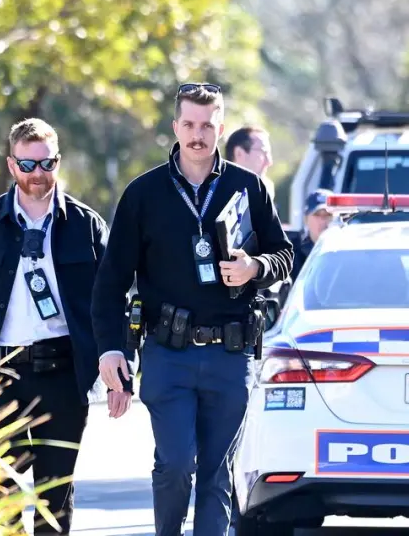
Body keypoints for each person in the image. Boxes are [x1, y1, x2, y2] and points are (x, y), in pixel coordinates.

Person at [91, 83, 293, 536]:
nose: (197, 135)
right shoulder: (144, 193)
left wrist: (254, 267)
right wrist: (111, 349)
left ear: (220, 128)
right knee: (177, 464)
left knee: (217, 473)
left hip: (230, 354)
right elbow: (110, 282)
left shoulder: (249, 187)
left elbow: (284, 255)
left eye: (207, 125)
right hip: (169, 354)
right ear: (175, 127)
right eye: (189, 124)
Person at [0, 118, 132, 535]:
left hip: (62, 376)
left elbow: (112, 302)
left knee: (54, 499)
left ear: (58, 161)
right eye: (27, 164)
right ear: (11, 165)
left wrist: (121, 374)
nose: (37, 173)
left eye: (46, 163)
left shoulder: (86, 225)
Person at [290, 189, 334, 282]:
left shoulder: (345, 254)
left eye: (328, 215)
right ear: (306, 219)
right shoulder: (293, 255)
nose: (322, 220)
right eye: (317, 215)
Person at [225, 125, 275, 197]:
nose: (269, 162)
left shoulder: (265, 191)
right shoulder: (214, 193)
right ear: (239, 153)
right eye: (263, 152)